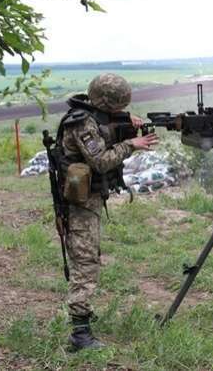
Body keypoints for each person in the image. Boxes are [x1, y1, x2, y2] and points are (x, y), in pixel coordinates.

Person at [56, 73, 159, 350]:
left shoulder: (94, 117)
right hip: (79, 205)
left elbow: (106, 134)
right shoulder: (82, 123)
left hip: (88, 201)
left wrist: (128, 124)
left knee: (88, 258)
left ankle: (83, 319)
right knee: (85, 262)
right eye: (118, 106)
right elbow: (100, 160)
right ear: (107, 102)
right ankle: (80, 335)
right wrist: (131, 144)